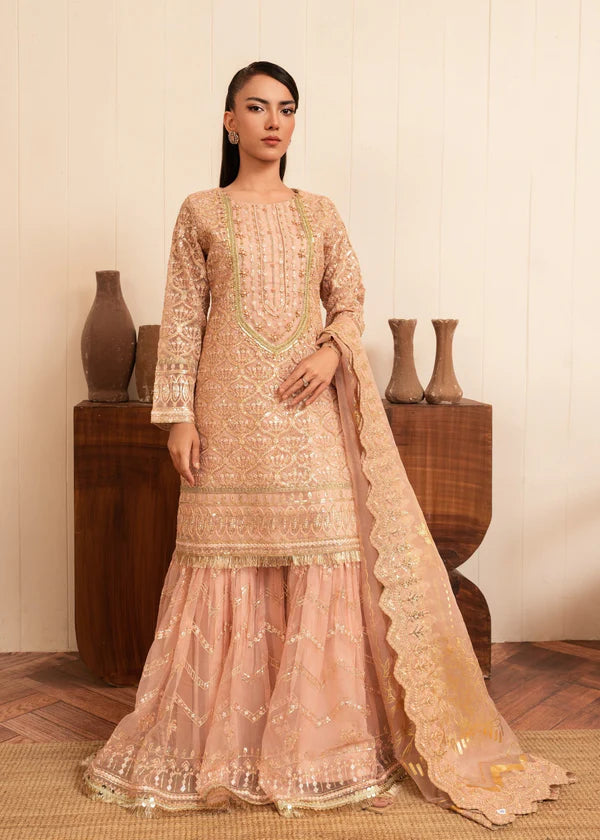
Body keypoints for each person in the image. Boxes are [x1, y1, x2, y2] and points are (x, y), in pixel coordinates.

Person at [80, 60, 576, 828]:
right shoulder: (200, 212)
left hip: (307, 413)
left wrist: (332, 351)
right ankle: (223, 745)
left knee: (325, 553)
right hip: (227, 414)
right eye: (256, 107)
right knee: (224, 558)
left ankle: (321, 749)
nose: (273, 121)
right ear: (229, 121)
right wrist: (179, 416)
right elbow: (181, 319)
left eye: (285, 108)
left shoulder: (320, 214)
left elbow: (350, 299)